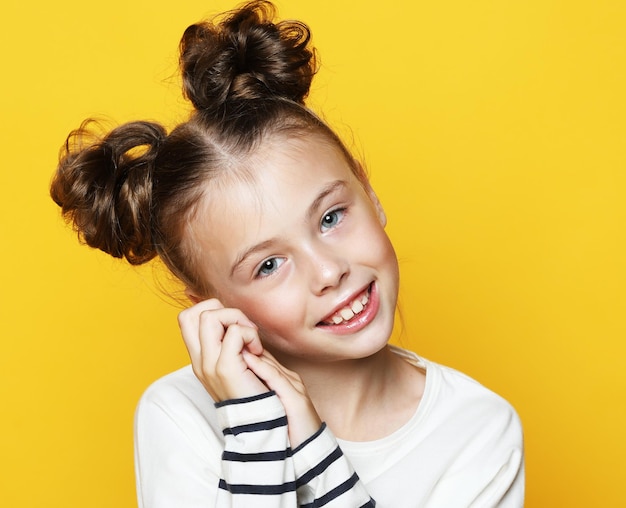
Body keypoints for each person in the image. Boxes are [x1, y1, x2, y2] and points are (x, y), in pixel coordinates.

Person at [50, 1, 524, 506]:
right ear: (209, 305)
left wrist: (313, 446)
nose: (328, 271)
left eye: (330, 217)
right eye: (268, 265)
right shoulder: (178, 415)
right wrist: (257, 428)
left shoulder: (476, 430)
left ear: (369, 191)